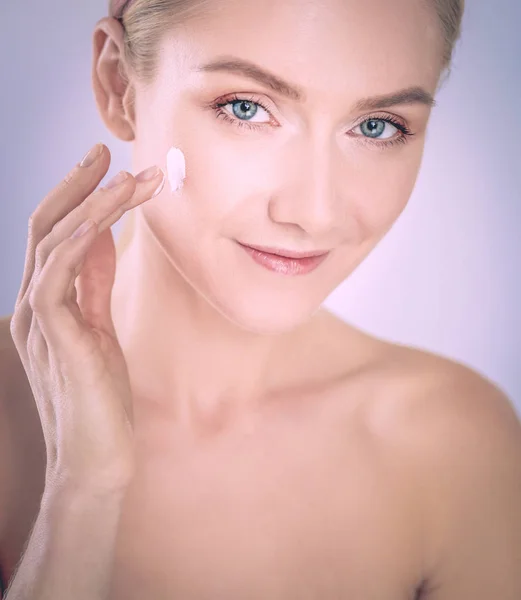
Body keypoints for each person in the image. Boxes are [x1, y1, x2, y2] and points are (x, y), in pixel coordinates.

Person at [1, 0, 520, 597]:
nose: (313, 212)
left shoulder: (455, 447)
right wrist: (83, 491)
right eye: (247, 108)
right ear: (119, 84)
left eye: (377, 126)